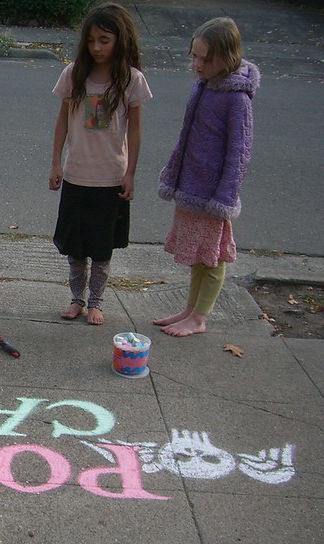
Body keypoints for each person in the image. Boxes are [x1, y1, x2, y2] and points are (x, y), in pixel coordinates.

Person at [153, 17, 259, 337]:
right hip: (191, 187)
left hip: (212, 196)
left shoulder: (237, 99)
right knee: (199, 255)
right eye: (194, 56)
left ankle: (199, 318)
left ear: (226, 59)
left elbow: (239, 151)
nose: (197, 64)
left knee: (211, 259)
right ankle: (190, 309)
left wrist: (224, 198)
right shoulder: (204, 84)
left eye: (204, 58)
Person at [48, 2, 152, 325]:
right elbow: (62, 121)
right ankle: (76, 299)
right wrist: (55, 163)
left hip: (111, 180)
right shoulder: (74, 74)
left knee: (101, 250)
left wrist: (130, 173)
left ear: (120, 40)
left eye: (104, 41)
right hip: (77, 177)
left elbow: (135, 129)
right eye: (91, 40)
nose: (96, 47)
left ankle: (97, 301)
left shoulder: (131, 80)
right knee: (75, 248)